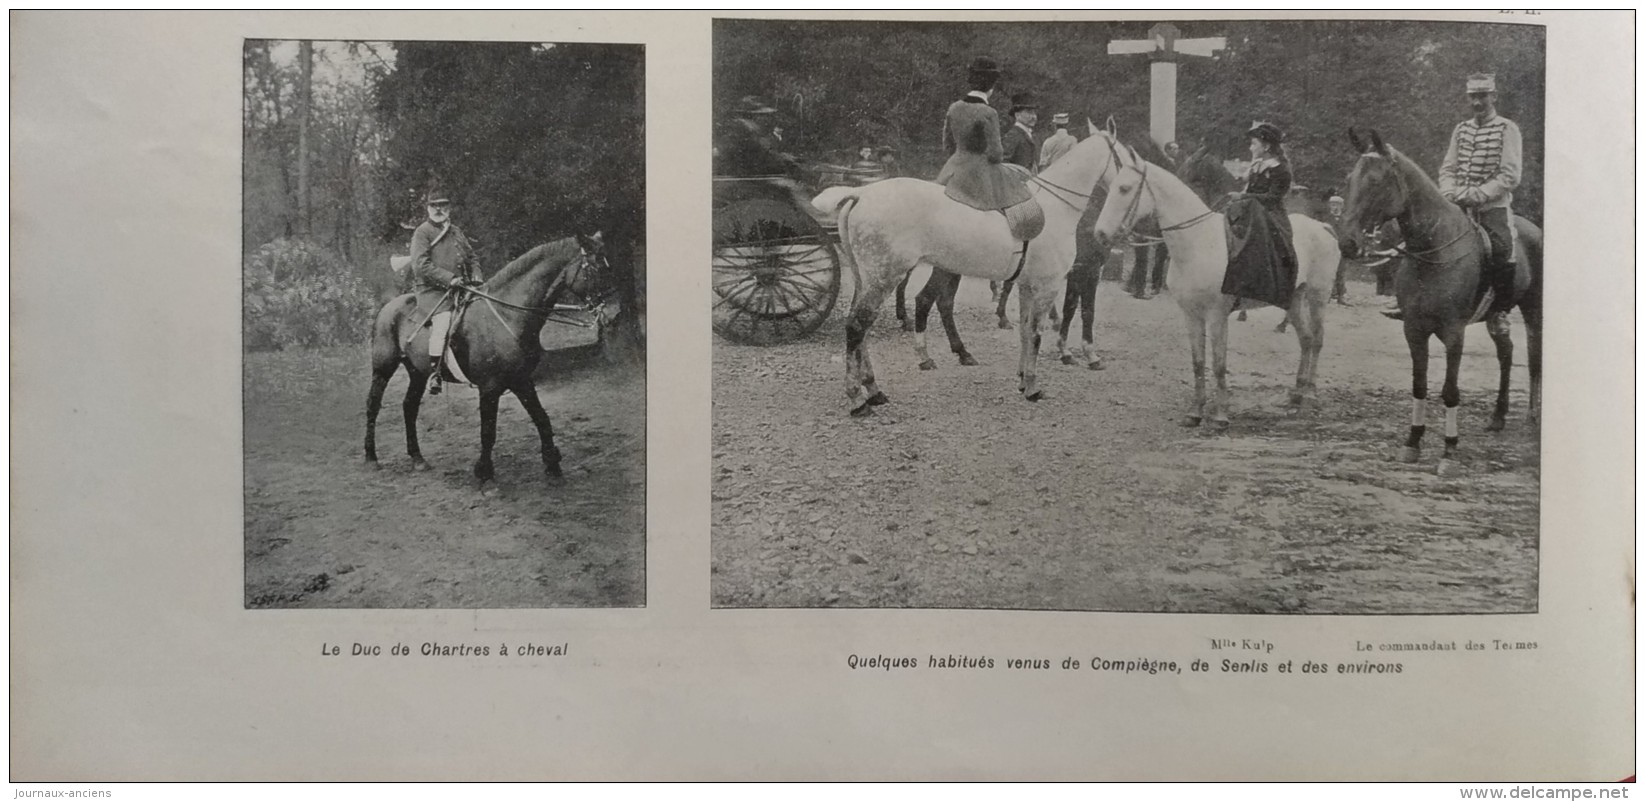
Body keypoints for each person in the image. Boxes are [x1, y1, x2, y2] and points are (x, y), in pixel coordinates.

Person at [1384, 72, 1523, 320]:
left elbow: (1510, 175)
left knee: (1503, 249)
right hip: (1456, 205)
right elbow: (1448, 168)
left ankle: (1499, 311)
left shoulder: (1506, 128)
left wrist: (1479, 194)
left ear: (1494, 97)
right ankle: (1406, 300)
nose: (1477, 103)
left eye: (1482, 96)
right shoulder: (1461, 130)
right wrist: (1448, 191)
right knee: (1416, 240)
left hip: (1492, 208)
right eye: (1473, 97)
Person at [409, 186, 481, 395]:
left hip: (461, 288)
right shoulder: (422, 232)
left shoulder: (455, 231)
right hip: (433, 292)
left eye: (443, 205)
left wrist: (476, 275)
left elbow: (472, 257)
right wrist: (449, 279)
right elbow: (420, 265)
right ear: (428, 208)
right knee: (442, 323)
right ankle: (436, 373)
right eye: (434, 205)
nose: (439, 209)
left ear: (449, 207)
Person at [1221, 121, 1298, 310]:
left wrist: (1244, 196)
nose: (1250, 147)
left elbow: (1273, 197)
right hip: (1251, 209)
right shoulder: (1256, 166)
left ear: (1266, 146)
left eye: (1254, 144)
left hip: (1270, 214)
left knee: (1257, 240)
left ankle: (1256, 286)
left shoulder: (1280, 169)